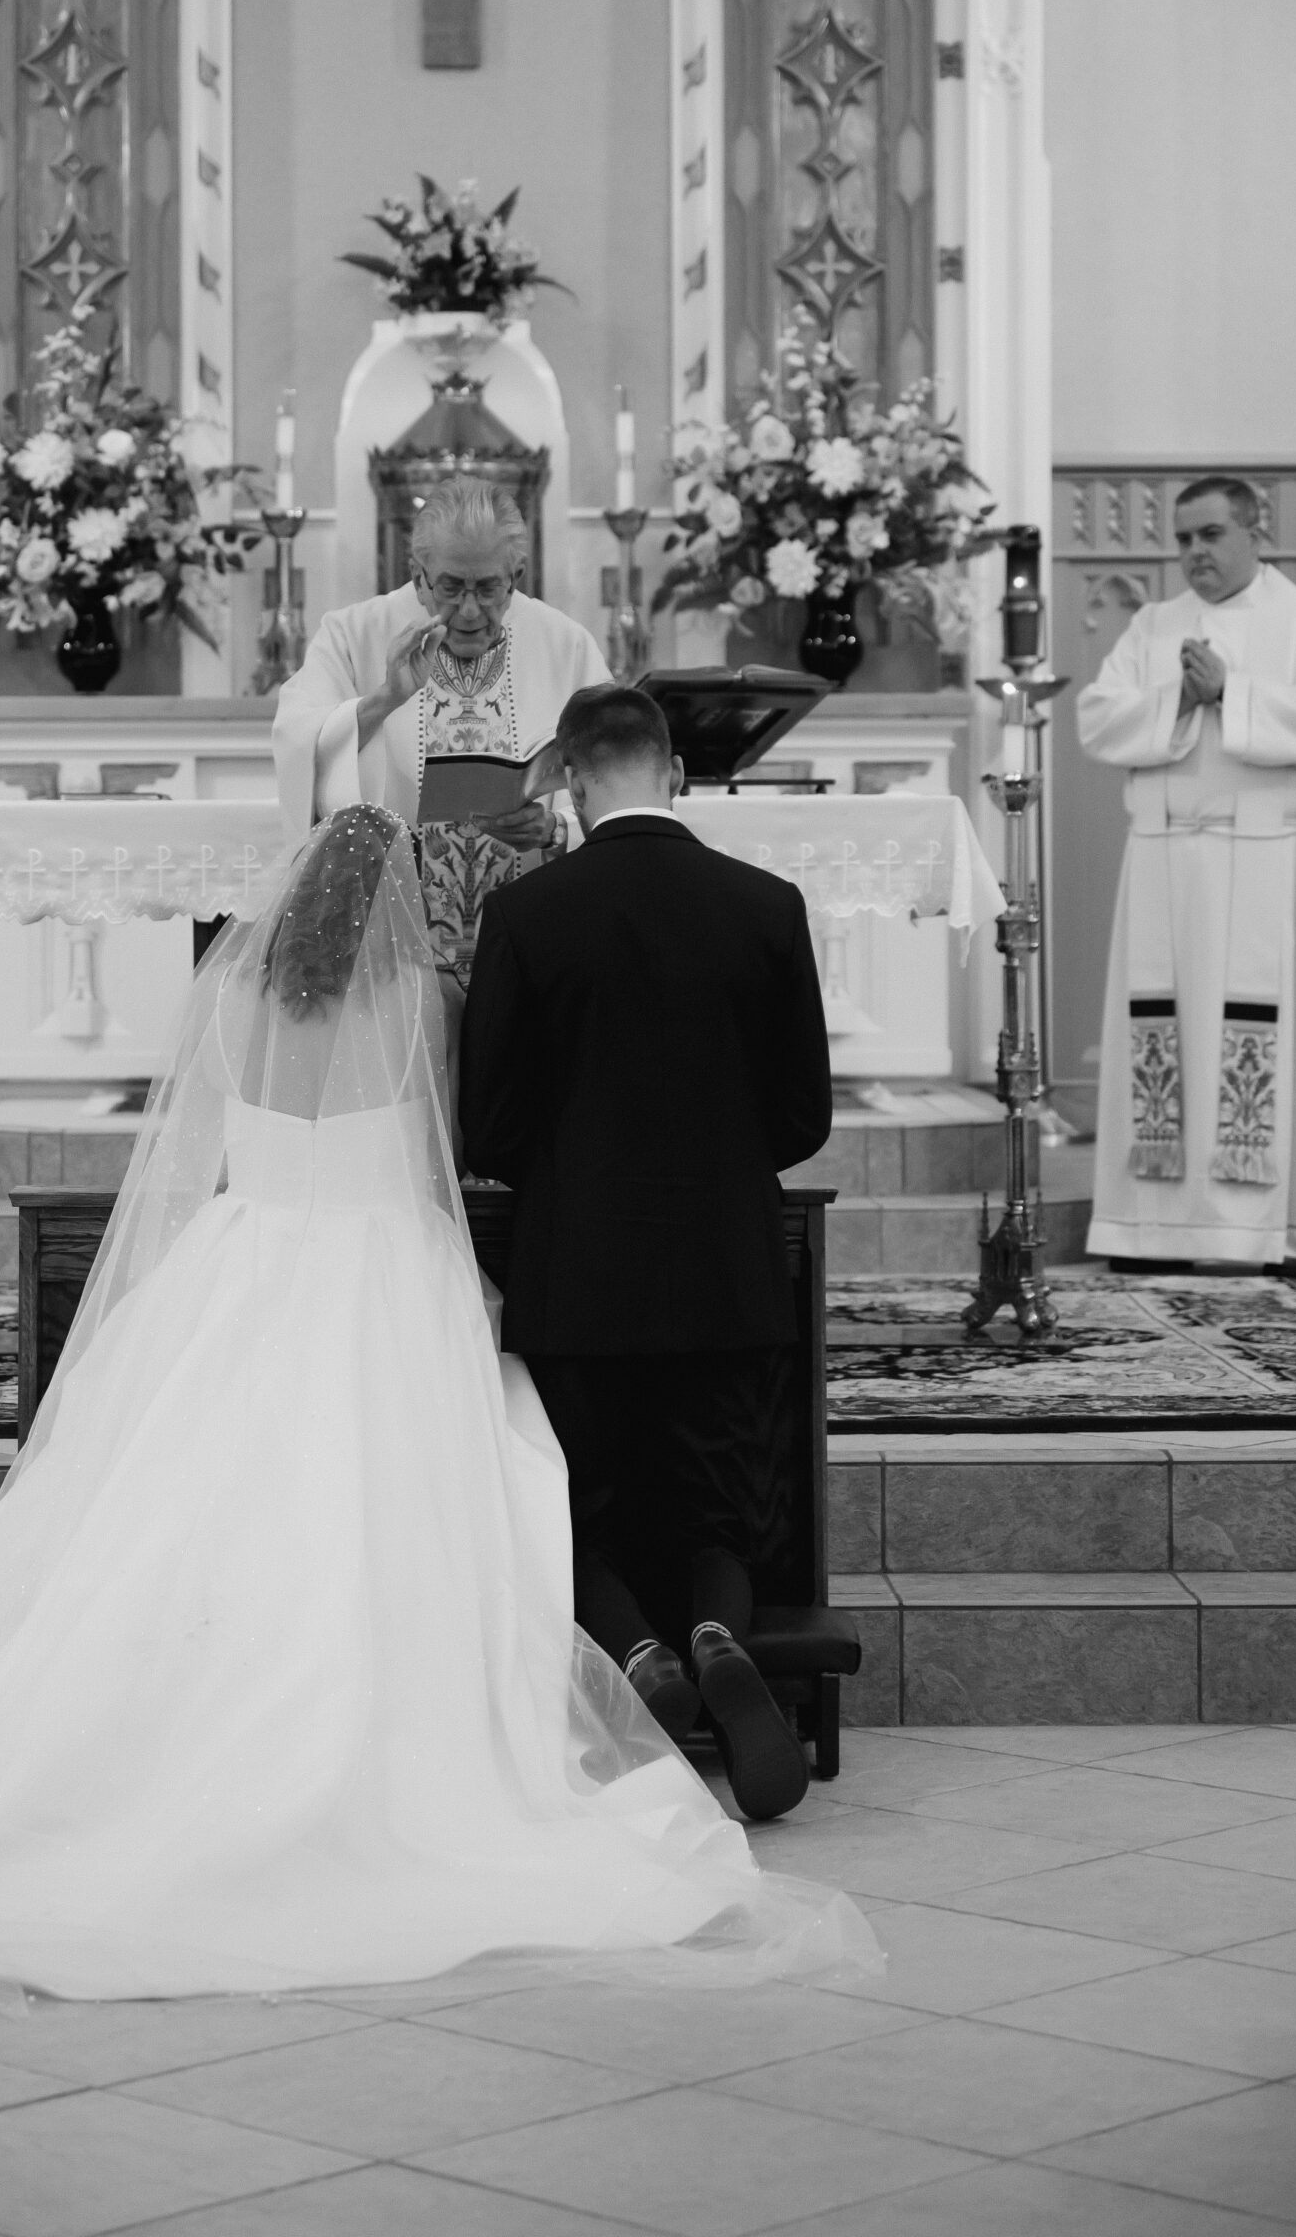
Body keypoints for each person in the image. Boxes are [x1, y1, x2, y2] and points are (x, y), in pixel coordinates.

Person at [0, 808, 872, 1999]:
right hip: (383, 1264)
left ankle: (592, 1655)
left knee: (184, 1503)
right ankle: (657, 1639)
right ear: (398, 911)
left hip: (241, 1262)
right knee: (491, 1452)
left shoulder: (233, 994)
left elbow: (195, 1161)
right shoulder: (423, 998)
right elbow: (453, 1154)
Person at [460, 685, 834, 1824]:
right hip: (724, 1261)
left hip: (577, 1269)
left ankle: (634, 1653)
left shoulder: (529, 916)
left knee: (582, 1499)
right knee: (718, 1503)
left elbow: (488, 1122)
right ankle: (717, 1631)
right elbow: (802, 1115)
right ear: (672, 769)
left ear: (571, 780)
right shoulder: (764, 906)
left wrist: (570, 1176)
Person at [1079, 475, 1296, 1267]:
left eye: (1208, 535)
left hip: (1264, 854)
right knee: (1162, 1032)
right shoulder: (1154, 624)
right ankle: (1151, 1227)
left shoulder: (1292, 615)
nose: (1193, 554)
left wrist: (1233, 691)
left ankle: (1263, 1230)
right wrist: (1181, 697)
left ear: (1254, 530)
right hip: (1165, 855)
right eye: (1181, 539)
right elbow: (1098, 719)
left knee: (1260, 1034)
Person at [271, 480, 608, 987]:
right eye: (450, 587)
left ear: (516, 574)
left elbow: (615, 779)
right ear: (418, 574)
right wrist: (385, 698)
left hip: (536, 952)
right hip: (389, 956)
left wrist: (555, 829)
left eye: (489, 587)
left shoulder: (566, 645)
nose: (470, 610)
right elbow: (299, 744)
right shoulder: (352, 633)